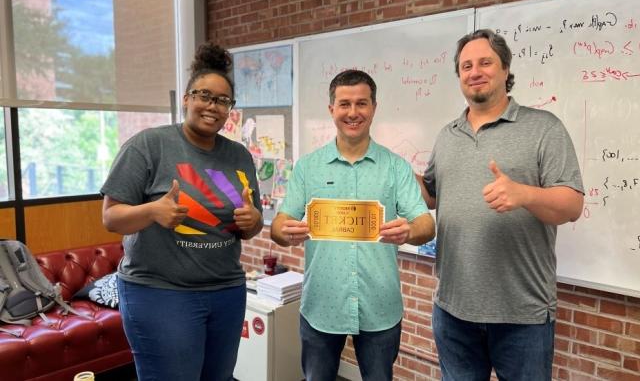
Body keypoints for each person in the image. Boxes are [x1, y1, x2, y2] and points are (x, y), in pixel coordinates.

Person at [418, 29, 584, 380]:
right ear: (459, 76)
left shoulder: (544, 128)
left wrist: (525, 194)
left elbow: (571, 205)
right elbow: (432, 194)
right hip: (452, 311)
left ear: (506, 69)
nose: (474, 71)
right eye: (466, 66)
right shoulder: (448, 134)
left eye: (485, 62)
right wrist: (398, 175)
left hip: (522, 315)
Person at [101, 42, 263, 381]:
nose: (212, 106)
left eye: (222, 101)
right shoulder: (149, 145)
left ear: (230, 109)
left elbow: (251, 222)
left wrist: (254, 222)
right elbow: (111, 217)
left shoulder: (239, 156)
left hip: (226, 291)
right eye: (204, 95)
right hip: (161, 292)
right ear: (187, 98)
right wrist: (152, 211)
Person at [271, 69, 435, 381]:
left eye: (361, 103)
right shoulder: (308, 167)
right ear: (331, 108)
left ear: (374, 107)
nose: (353, 112)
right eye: (344, 104)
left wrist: (409, 231)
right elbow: (279, 225)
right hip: (322, 302)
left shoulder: (395, 167)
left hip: (380, 305)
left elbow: (426, 224)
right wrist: (285, 232)